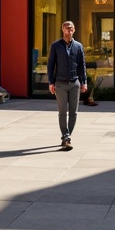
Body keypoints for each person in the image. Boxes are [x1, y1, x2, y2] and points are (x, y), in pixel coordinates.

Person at [47, 20, 87, 150]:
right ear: (62, 30)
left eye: (70, 29)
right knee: (63, 112)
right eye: (66, 28)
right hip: (60, 84)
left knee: (74, 112)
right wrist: (51, 82)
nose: (68, 31)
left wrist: (84, 82)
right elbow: (51, 65)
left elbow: (82, 65)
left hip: (75, 83)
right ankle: (66, 137)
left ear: (74, 30)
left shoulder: (78, 46)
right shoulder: (56, 46)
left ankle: (67, 136)